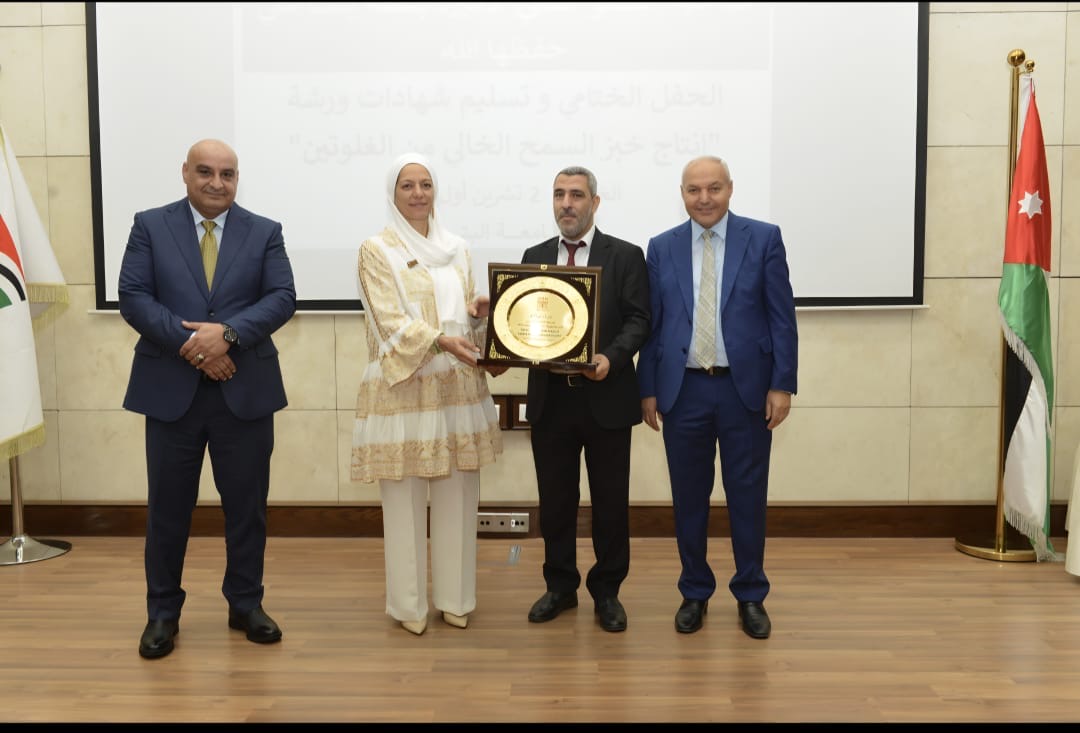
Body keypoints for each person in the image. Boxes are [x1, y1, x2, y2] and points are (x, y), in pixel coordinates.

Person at [118, 139, 297, 659]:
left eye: (227, 174)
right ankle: (162, 614)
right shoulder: (150, 225)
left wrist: (229, 335)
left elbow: (282, 297)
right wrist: (197, 348)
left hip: (245, 390)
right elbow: (134, 296)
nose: (217, 183)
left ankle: (245, 604)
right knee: (167, 510)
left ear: (237, 179)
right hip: (170, 392)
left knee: (247, 509)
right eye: (205, 171)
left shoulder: (265, 231)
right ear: (185, 173)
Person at [637, 155, 797, 639]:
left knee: (747, 497)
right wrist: (647, 387)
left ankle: (751, 594)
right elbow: (654, 325)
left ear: (730, 189)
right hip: (683, 391)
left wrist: (782, 384)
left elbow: (781, 317)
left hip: (745, 390)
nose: (704, 198)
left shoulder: (763, 238)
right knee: (689, 499)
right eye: (693, 190)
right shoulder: (661, 247)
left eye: (713, 188)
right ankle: (694, 591)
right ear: (682, 194)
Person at [352, 152, 503, 636]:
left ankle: (457, 600)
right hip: (404, 388)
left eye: (425, 184)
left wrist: (483, 318)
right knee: (404, 500)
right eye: (407, 185)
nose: (418, 194)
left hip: (457, 387)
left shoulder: (458, 248)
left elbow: (466, 319)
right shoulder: (376, 250)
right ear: (392, 194)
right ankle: (409, 606)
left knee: (459, 495)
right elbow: (387, 320)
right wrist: (439, 340)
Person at [521, 166, 651, 633]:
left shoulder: (626, 256)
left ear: (595, 203)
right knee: (555, 502)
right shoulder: (534, 257)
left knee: (610, 503)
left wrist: (611, 358)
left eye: (576, 195)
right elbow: (524, 322)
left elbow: (639, 320)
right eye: (559, 194)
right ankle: (560, 586)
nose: (566, 204)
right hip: (551, 399)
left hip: (606, 397)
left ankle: (608, 591)